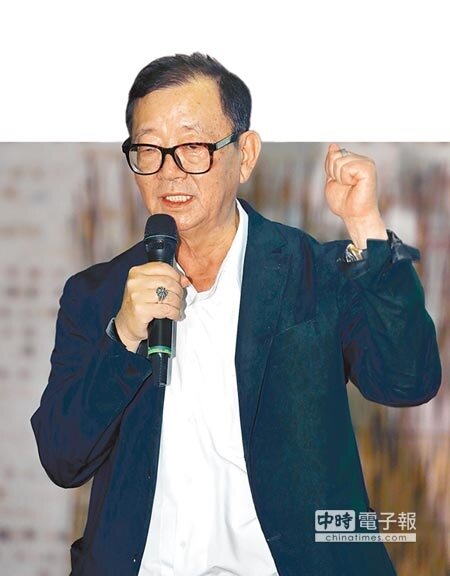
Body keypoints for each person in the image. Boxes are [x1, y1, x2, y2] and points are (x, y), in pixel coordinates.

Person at [30, 53, 441, 576]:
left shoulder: (314, 272)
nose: (169, 171)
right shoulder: (96, 294)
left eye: (193, 147)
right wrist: (123, 338)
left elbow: (408, 381)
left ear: (244, 155)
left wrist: (367, 228)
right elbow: (62, 460)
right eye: (149, 149)